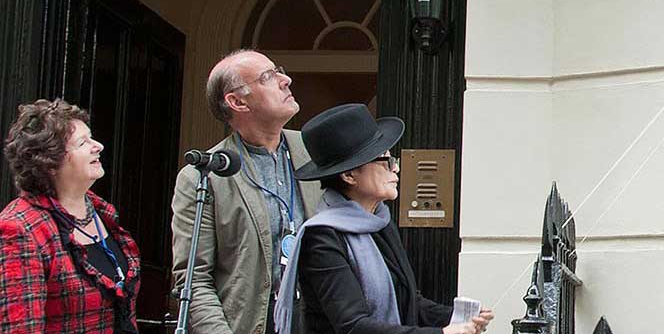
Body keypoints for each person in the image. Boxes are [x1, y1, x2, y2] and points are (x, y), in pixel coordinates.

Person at [274, 103, 493, 334]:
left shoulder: (380, 222)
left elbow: (410, 302)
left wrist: (459, 317)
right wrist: (443, 333)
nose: (396, 168)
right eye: (386, 161)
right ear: (349, 175)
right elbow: (353, 326)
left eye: (393, 159)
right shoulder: (321, 237)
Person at [171, 49, 324, 334]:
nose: (285, 80)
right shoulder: (203, 177)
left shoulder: (315, 152)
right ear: (237, 102)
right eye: (268, 77)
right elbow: (194, 281)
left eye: (279, 71)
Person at [0, 99, 142, 333]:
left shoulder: (102, 212)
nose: (98, 146)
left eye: (91, 138)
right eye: (82, 142)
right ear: (49, 163)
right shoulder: (20, 228)